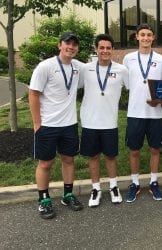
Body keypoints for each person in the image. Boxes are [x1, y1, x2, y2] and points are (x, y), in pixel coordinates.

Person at [29, 32, 84, 219]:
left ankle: (67, 195)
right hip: (48, 125)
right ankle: (44, 200)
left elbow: (98, 68)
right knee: (45, 162)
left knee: (68, 160)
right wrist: (37, 123)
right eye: (67, 43)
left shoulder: (78, 67)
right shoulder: (45, 67)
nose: (71, 47)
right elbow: (33, 94)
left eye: (75, 44)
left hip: (69, 124)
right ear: (59, 45)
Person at [79, 34, 128, 207]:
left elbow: (133, 87)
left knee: (110, 156)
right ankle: (95, 189)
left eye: (108, 48)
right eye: (102, 47)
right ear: (96, 49)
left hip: (109, 121)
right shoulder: (85, 69)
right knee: (93, 156)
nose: (105, 51)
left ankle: (113, 187)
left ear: (112, 49)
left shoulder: (121, 70)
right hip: (89, 121)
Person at [122, 23, 162, 202]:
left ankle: (154, 182)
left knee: (155, 149)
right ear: (137, 37)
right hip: (135, 113)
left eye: (149, 35)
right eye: (143, 35)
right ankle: (134, 183)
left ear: (153, 37)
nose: (146, 38)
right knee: (134, 150)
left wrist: (160, 100)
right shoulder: (128, 58)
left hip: (155, 113)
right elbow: (127, 85)